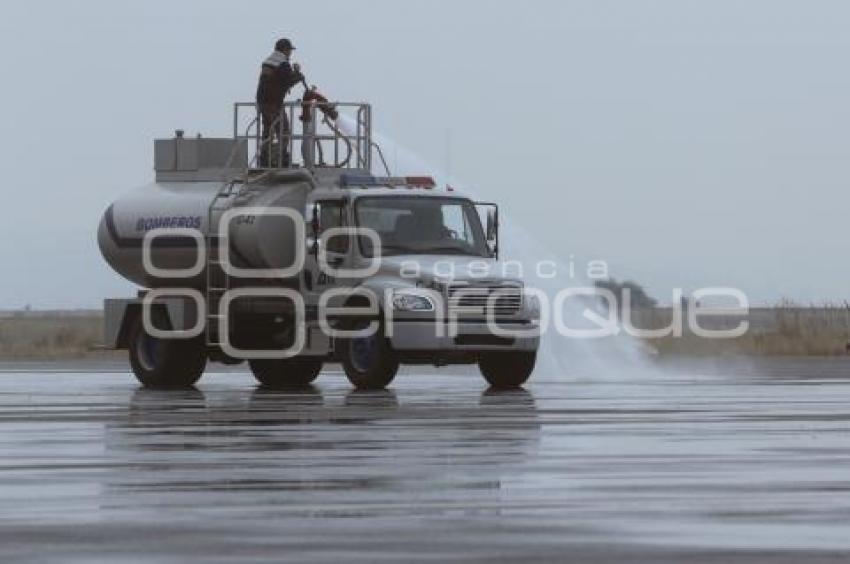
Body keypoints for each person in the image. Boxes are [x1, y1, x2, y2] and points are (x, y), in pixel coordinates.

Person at [256, 38, 304, 167]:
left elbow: (277, 80)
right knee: (284, 130)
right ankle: (279, 159)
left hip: (262, 101)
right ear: (285, 50)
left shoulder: (269, 61)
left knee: (267, 130)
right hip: (274, 102)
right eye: (290, 50)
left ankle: (265, 158)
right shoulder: (283, 63)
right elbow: (286, 82)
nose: (290, 53)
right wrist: (298, 76)